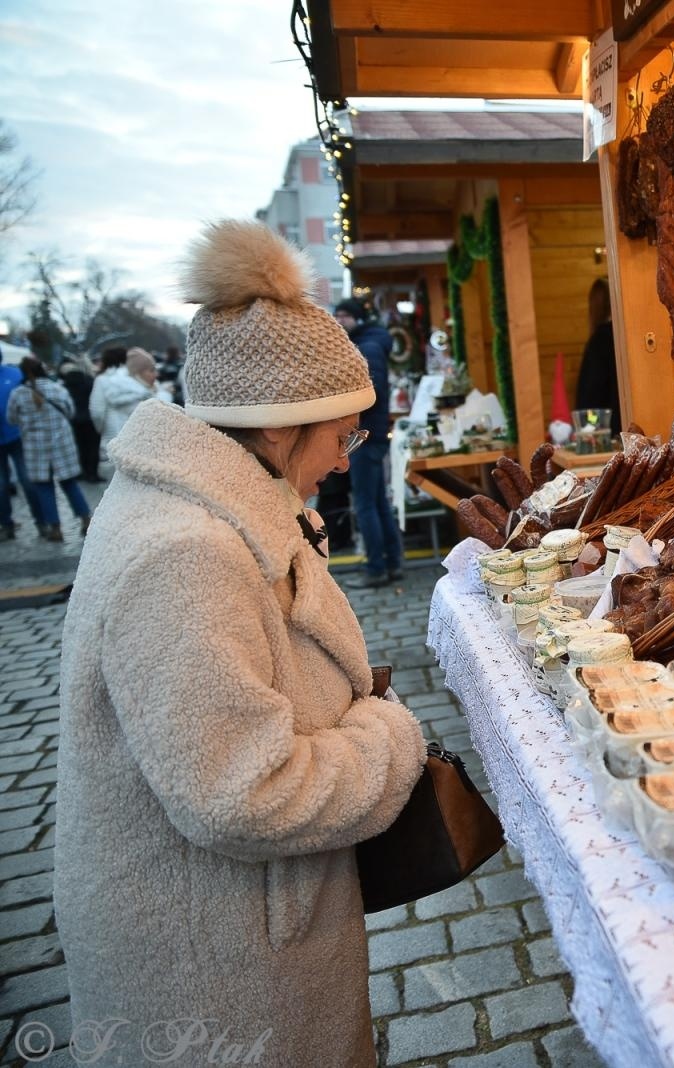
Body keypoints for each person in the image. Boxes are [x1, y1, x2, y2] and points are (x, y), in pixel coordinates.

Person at [55, 219, 426, 1068]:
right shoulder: (187, 553)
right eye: (343, 433)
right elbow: (244, 793)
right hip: (215, 983)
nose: (345, 457)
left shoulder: (223, 509)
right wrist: (389, 734)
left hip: (245, 942)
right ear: (277, 426)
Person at [333, 297, 405, 587]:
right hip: (372, 434)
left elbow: (366, 395)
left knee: (365, 504)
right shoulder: (370, 343)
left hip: (363, 434)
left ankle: (377, 568)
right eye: (336, 315)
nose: (339, 321)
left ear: (357, 318)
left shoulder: (366, 348)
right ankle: (393, 564)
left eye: (344, 316)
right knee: (377, 502)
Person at [6, 357, 93, 541]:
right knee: (70, 484)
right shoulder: (57, 388)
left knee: (43, 487)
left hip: (35, 447)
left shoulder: (18, 394)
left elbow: (11, 418)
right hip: (61, 443)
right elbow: (70, 411)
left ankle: (55, 528)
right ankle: (86, 520)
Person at [0, 359, 44, 539]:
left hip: (17, 436)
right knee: (1, 485)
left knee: (28, 480)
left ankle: (42, 521)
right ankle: (6, 524)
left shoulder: (14, 374)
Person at [575, 277, 622, 437]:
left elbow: (591, 393)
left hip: (609, 431)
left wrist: (589, 433)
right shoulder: (622, 333)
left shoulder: (600, 339)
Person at [96, 346, 159, 452]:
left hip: (113, 446)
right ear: (138, 372)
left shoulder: (146, 389)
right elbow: (96, 412)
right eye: (151, 370)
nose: (156, 374)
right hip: (130, 450)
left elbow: (97, 413)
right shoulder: (143, 393)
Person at [57, 356, 101, 482]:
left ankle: (82, 471)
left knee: (80, 447)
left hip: (74, 420)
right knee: (93, 447)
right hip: (89, 418)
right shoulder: (88, 380)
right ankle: (93, 474)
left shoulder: (65, 384)